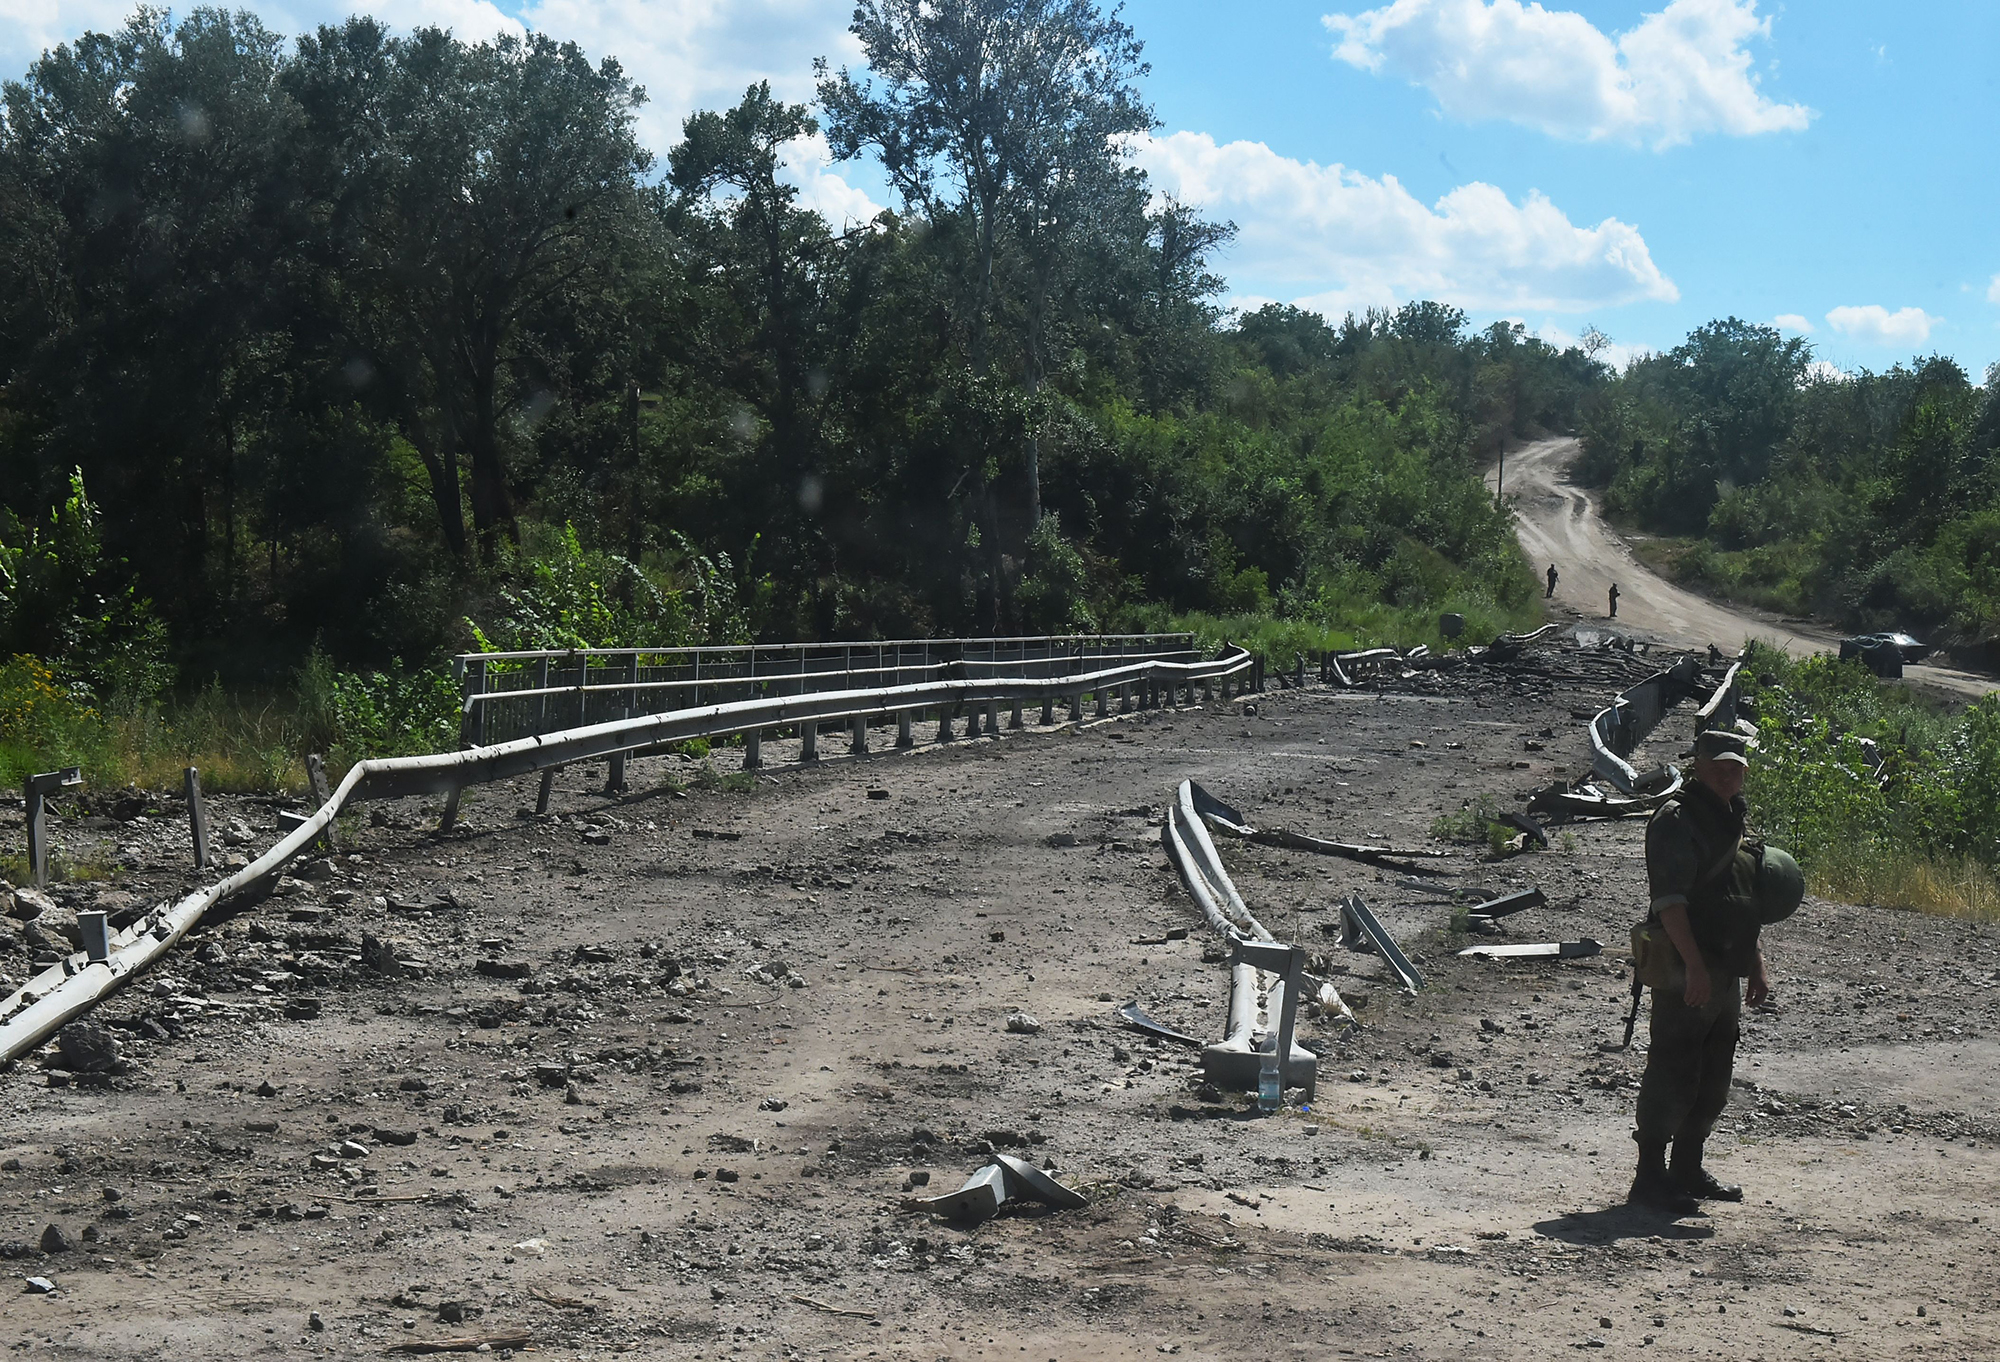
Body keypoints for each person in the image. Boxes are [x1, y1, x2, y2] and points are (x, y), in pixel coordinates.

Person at [1628, 729, 1769, 1214]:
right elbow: (1669, 903)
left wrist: (1754, 964)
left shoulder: (1731, 818)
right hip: (1688, 965)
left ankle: (1687, 1169)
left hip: (1724, 966)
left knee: (1713, 1074)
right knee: (1673, 1067)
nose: (1726, 774)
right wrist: (1693, 968)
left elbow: (1741, 900)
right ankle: (1649, 1179)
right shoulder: (1677, 820)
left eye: (1734, 766)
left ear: (1744, 771)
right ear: (1697, 767)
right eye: (1716, 766)